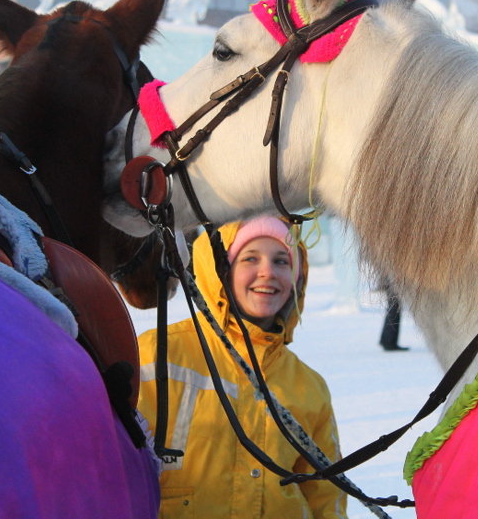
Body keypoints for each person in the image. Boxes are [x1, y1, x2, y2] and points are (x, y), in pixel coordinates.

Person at [137, 216, 348, 518]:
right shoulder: (158, 354)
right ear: (222, 270)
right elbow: (114, 470)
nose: (268, 273)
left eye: (281, 262)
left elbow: (327, 497)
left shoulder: (308, 386)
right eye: (250, 258)